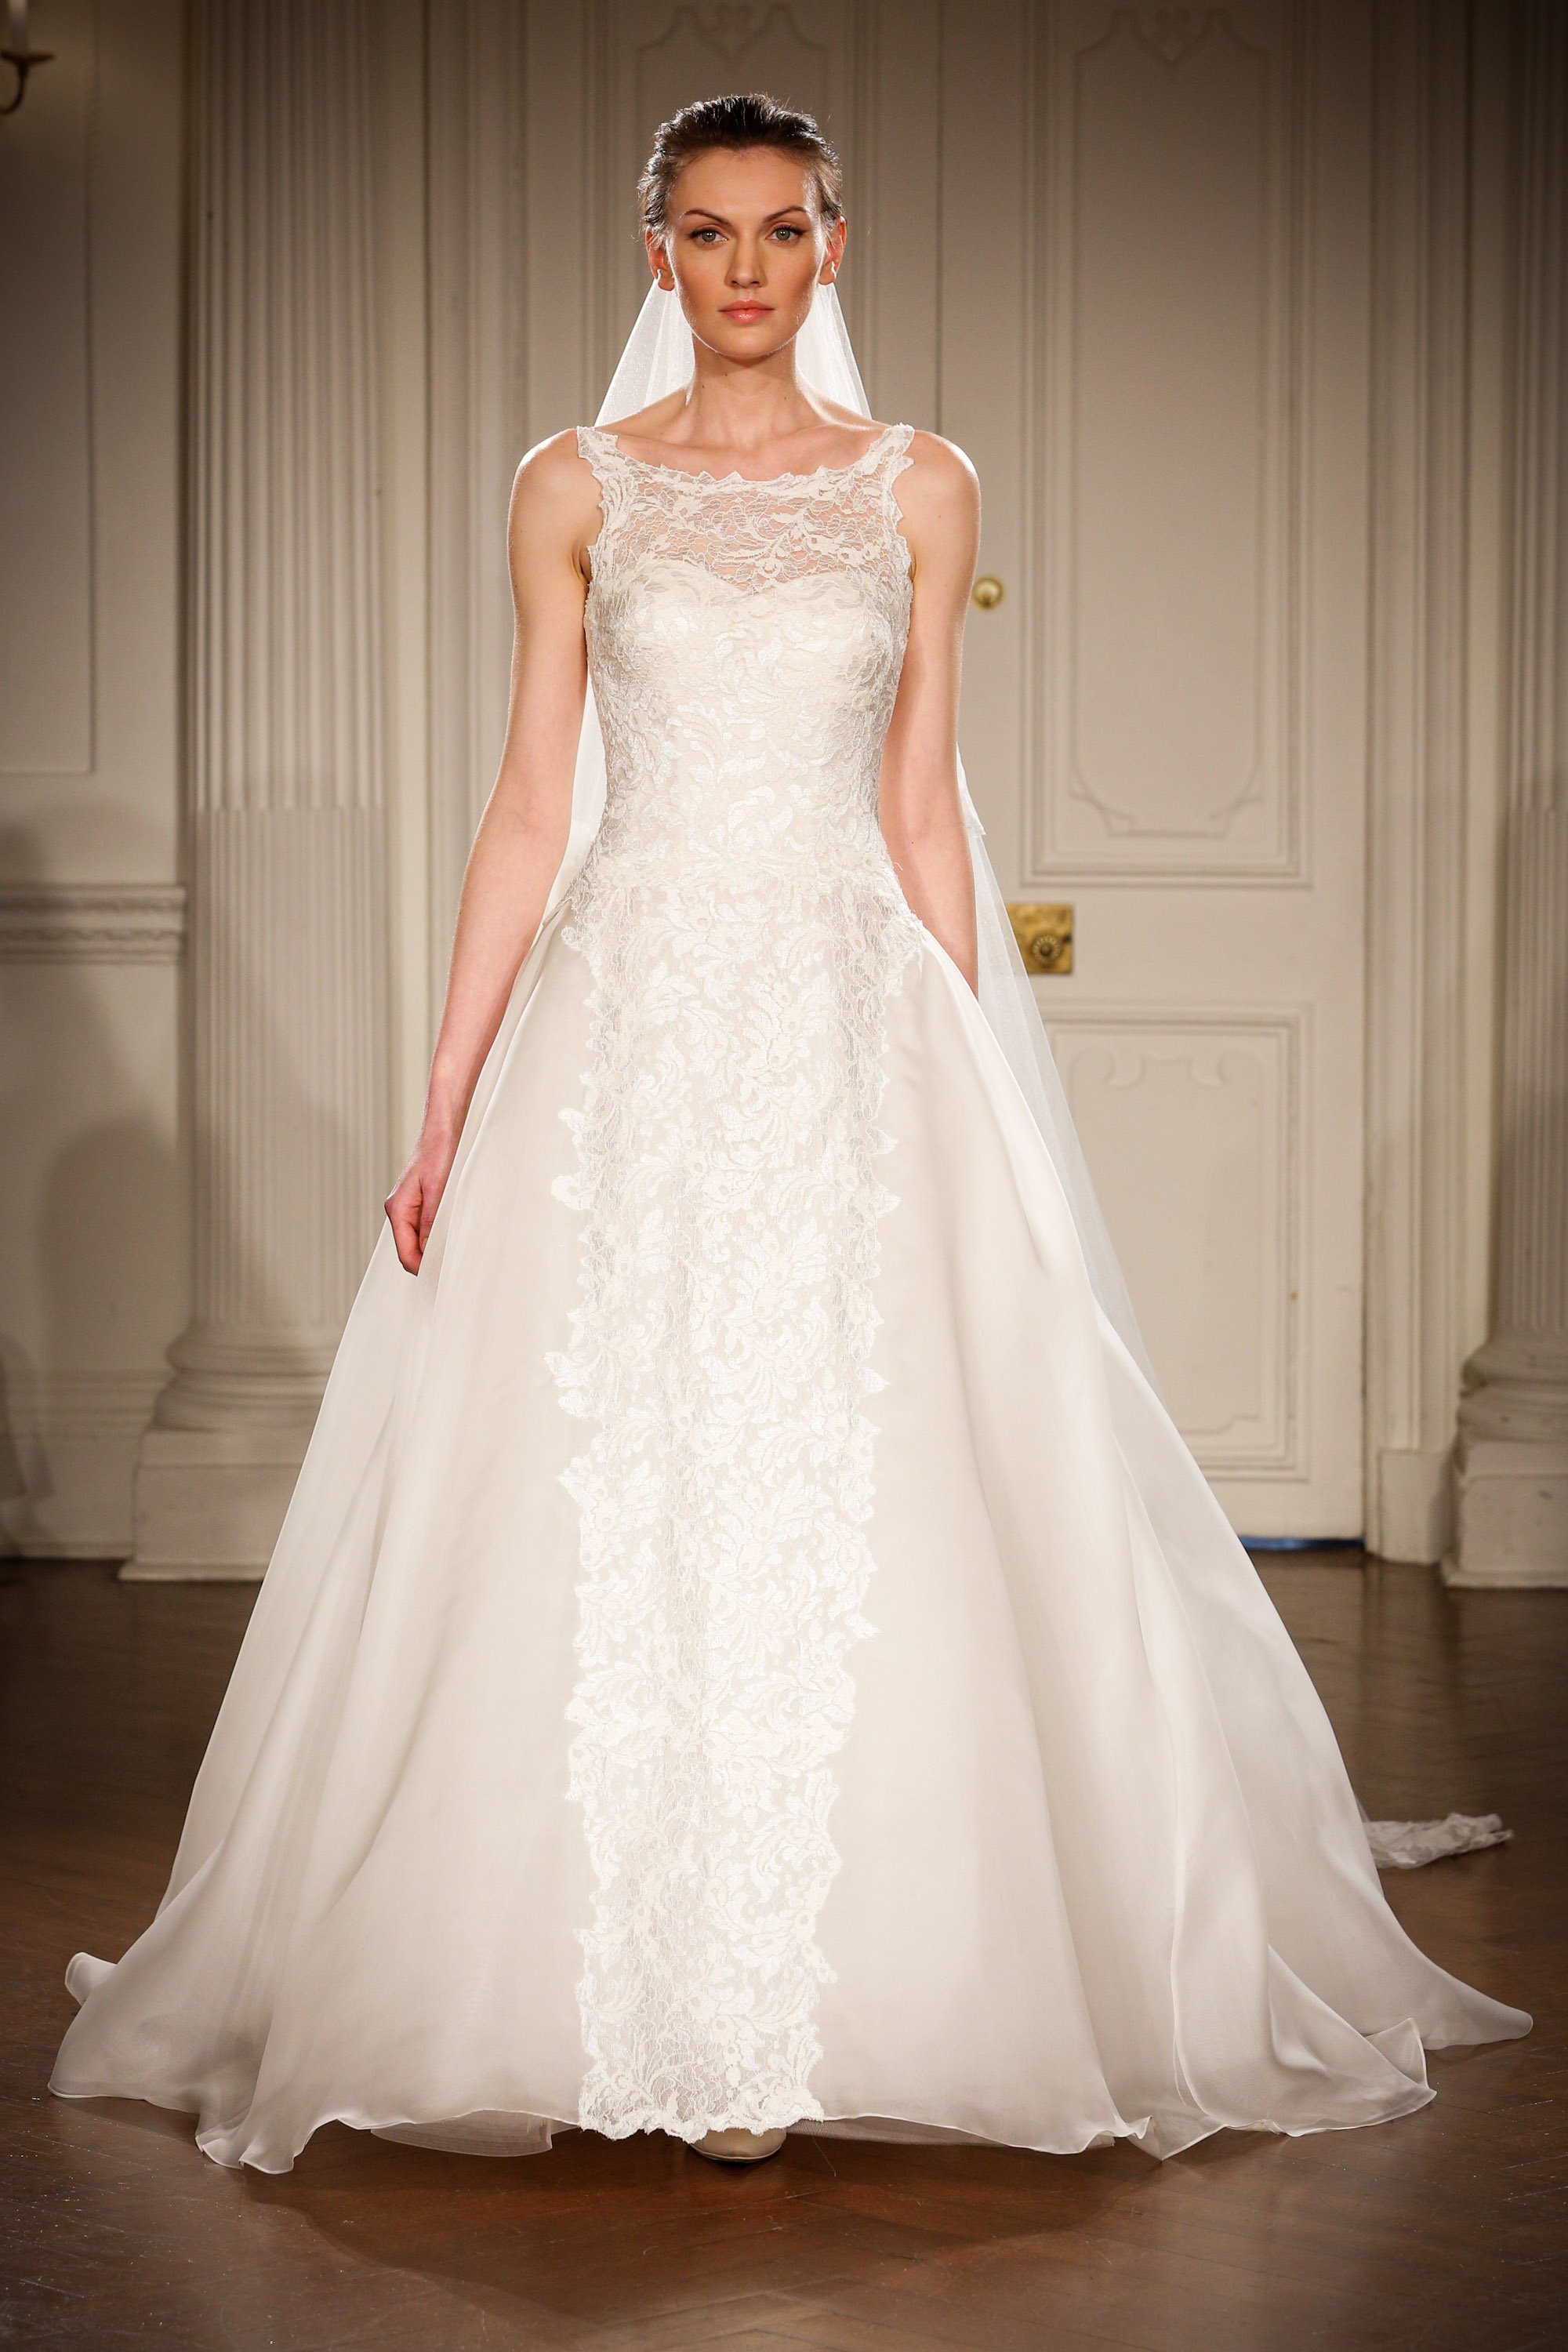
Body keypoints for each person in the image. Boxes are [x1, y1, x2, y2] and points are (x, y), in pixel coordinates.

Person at [52, 93, 1530, 2175]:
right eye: (708, 230)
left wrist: (988, 1074)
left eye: (781, 229)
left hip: (848, 1028)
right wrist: (449, 1095)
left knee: (868, 1459)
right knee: (608, 1465)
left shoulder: (922, 487)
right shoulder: (573, 489)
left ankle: (871, 1989)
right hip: (627, 1025)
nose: (745, 265)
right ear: (656, 254)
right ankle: (569, 1980)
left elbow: (922, 802)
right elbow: (527, 806)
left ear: (835, 246)